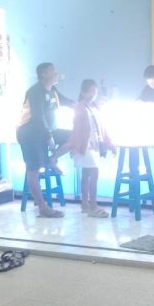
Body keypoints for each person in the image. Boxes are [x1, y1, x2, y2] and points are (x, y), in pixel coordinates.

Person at [16, 62, 75, 218]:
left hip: (48, 130)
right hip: (30, 134)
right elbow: (38, 117)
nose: (56, 74)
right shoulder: (35, 92)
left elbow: (67, 101)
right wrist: (49, 136)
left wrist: (80, 105)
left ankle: (52, 159)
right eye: (52, 71)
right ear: (43, 74)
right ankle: (43, 207)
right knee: (33, 170)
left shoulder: (52, 90)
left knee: (75, 137)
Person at [49, 79, 114, 218]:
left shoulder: (94, 107)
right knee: (93, 173)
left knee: (86, 174)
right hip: (85, 146)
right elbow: (77, 130)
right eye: (91, 91)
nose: (93, 94)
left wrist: (109, 143)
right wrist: (75, 145)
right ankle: (93, 206)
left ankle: (85, 205)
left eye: (95, 91)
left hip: (92, 146)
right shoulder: (80, 107)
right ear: (84, 92)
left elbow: (102, 127)